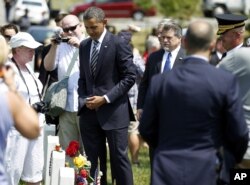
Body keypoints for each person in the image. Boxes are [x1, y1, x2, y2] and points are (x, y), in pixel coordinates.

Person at [139, 20, 249, 185]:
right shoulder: (224, 80)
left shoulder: (160, 81)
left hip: (167, 166)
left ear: (185, 42)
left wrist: (165, 146)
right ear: (213, 44)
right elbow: (238, 131)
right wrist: (229, 158)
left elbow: (146, 128)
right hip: (208, 166)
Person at [78, 7, 136, 185]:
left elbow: (130, 77)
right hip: (89, 113)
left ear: (105, 22)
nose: (90, 31)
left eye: (93, 27)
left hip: (114, 112)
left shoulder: (118, 44)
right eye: (87, 28)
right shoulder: (84, 45)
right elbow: (83, 78)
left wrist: (105, 98)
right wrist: (83, 99)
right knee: (93, 160)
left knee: (119, 159)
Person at [136, 19, 186, 168]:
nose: (165, 40)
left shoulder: (187, 57)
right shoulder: (154, 57)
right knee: (155, 156)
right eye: (163, 37)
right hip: (155, 116)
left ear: (179, 38)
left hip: (179, 116)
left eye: (169, 37)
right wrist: (140, 106)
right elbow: (144, 84)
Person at [4, 32, 45, 185]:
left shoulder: (28, 68)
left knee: (34, 173)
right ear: (18, 49)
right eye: (29, 49)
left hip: (36, 127)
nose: (33, 53)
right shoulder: (7, 70)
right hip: (16, 132)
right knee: (11, 172)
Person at [215, 13, 249, 184]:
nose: (220, 38)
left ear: (237, 35)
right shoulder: (227, 57)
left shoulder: (238, 59)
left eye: (224, 34)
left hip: (241, 141)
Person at [44, 14, 85, 151]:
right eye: (65, 29)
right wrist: (54, 46)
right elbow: (48, 67)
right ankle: (70, 172)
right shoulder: (60, 46)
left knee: (88, 148)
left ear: (80, 26)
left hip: (86, 105)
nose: (69, 32)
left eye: (73, 28)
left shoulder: (90, 42)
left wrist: (81, 47)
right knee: (68, 148)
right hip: (65, 105)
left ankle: (88, 173)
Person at [117, 29, 145, 166]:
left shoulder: (114, 52)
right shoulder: (133, 55)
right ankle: (134, 160)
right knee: (133, 130)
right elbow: (144, 73)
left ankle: (120, 160)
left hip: (116, 98)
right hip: (133, 99)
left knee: (119, 131)